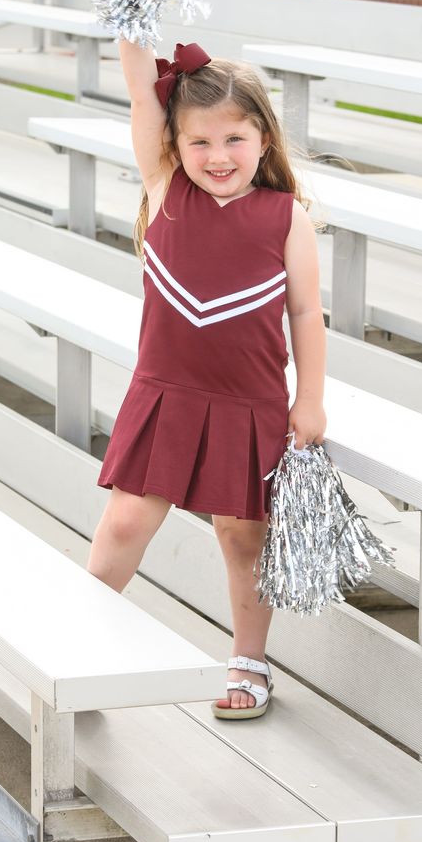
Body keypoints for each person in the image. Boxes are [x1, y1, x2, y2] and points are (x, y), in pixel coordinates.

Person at [87, 37, 327, 719]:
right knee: (127, 520)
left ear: (263, 137)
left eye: (234, 138)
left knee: (241, 535)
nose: (217, 156)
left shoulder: (287, 219)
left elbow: (307, 313)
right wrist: (135, 22)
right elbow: (141, 91)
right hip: (166, 394)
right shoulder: (165, 191)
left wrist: (309, 399)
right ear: (176, 145)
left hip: (248, 402)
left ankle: (250, 658)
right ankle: (75, 641)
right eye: (199, 142)